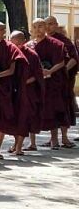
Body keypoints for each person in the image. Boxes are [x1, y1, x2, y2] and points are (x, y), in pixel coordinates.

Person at [0, 22, 30, 159]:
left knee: (3, 120)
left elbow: (12, 70)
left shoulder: (10, 47)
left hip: (7, 89)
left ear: (4, 31)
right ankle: (1, 145)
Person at [28, 19, 69, 150]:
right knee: (32, 111)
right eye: (35, 27)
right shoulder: (29, 45)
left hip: (51, 82)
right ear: (32, 29)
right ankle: (32, 143)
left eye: (40, 26)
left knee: (52, 111)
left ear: (45, 28)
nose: (38, 29)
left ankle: (54, 140)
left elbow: (61, 62)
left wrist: (49, 71)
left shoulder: (56, 44)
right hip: (34, 83)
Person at [44, 17, 77, 148]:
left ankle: (64, 137)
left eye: (51, 24)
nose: (48, 27)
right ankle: (53, 138)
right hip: (47, 81)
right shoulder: (41, 41)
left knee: (63, 109)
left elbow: (74, 58)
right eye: (45, 24)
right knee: (51, 109)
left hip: (62, 81)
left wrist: (63, 71)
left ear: (56, 25)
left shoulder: (63, 41)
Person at [13, 29, 46, 154]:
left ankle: (19, 147)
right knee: (14, 119)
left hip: (28, 92)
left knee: (24, 118)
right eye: (12, 42)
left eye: (18, 43)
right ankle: (16, 144)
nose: (15, 46)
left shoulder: (32, 55)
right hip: (14, 91)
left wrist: (25, 82)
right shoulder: (11, 53)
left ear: (24, 41)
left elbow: (38, 74)